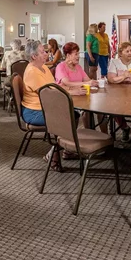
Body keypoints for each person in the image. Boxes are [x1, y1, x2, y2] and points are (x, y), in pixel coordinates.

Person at [21, 41, 86, 170]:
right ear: (34, 56)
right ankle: (53, 156)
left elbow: (54, 87)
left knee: (74, 114)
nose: (46, 53)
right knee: (65, 119)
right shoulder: (32, 72)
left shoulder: (43, 67)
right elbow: (49, 93)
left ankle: (66, 149)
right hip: (34, 112)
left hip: (46, 107)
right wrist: (73, 92)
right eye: (43, 51)